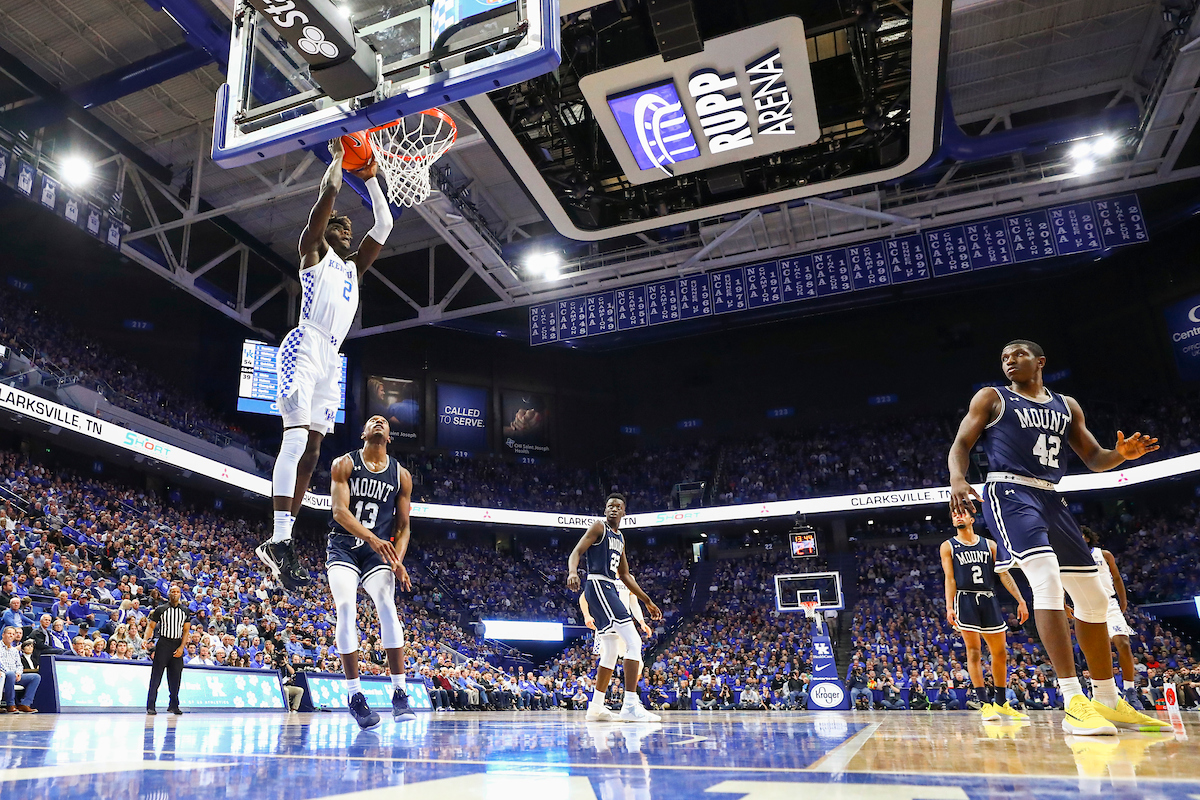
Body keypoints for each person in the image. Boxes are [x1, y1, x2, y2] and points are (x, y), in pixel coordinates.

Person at [948, 339, 1168, 735]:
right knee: (1046, 578)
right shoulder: (993, 397)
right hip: (1010, 491)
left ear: (1040, 361)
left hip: (1052, 496)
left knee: (1094, 596)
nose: (1009, 361)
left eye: (1017, 355)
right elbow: (962, 443)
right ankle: (1072, 700)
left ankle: (1107, 699)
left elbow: (1095, 457)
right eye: (1003, 357)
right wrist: (957, 479)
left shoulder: (1066, 405)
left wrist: (1122, 456)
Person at [256, 139, 394, 591]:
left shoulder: (354, 268)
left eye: (350, 231)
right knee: (295, 439)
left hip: (331, 357)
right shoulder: (313, 253)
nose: (348, 230)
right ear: (326, 230)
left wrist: (372, 177)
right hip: (305, 343)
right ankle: (278, 537)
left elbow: (386, 222)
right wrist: (338, 159)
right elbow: (327, 198)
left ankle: (284, 539)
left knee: (314, 450)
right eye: (341, 227)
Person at [326, 416, 416, 729]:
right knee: (346, 608)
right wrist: (373, 538)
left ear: (389, 437)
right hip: (344, 546)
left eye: (383, 422)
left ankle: (400, 692)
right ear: (364, 433)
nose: (378, 421)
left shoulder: (401, 475)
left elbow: (403, 526)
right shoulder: (344, 464)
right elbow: (339, 512)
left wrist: (397, 558)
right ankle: (355, 696)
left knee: (387, 605)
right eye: (371, 421)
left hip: (378, 553)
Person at [566, 493, 663, 723]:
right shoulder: (599, 527)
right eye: (610, 506)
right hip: (599, 585)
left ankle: (596, 707)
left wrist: (646, 600)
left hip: (607, 587)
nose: (613, 509)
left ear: (624, 512)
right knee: (634, 642)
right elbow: (576, 552)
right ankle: (629, 705)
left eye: (618, 506)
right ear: (605, 509)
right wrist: (572, 572)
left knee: (610, 650)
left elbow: (625, 574)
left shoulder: (620, 538)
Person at [940, 506, 1031, 722]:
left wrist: (1020, 600)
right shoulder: (948, 546)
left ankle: (1001, 703)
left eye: (961, 513)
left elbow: (1004, 573)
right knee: (973, 652)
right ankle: (984, 704)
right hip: (965, 598)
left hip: (988, 598)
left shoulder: (989, 545)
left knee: (1000, 652)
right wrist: (949, 606)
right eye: (954, 515)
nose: (957, 516)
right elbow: (950, 578)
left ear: (972, 518)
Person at [1080, 526, 1142, 709]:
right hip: (1087, 606)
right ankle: (1109, 692)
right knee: (1100, 651)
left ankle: (1130, 690)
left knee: (1123, 643)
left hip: (1109, 603)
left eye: (1081, 534)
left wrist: (1123, 601)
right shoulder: (1070, 556)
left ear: (1088, 538)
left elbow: (1116, 578)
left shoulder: (1104, 554)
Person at [144, 584, 191, 715]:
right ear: (169, 594)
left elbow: (186, 631)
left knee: (176, 677)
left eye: (177, 592)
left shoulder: (185, 611)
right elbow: (150, 627)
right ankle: (151, 706)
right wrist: (145, 639)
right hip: (163, 643)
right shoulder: (161, 609)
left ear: (180, 594)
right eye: (172, 592)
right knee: (156, 676)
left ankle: (174, 705)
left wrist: (182, 647)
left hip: (177, 644)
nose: (175, 594)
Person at [0, 626, 38, 712]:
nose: (11, 636)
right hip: (4, 675)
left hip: (15, 675)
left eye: (13, 634)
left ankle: (25, 704)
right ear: (3, 635)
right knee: (10, 674)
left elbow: (19, 665)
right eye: (9, 633)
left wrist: (18, 673)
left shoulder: (15, 651)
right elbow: (0, 664)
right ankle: (10, 704)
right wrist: (11, 673)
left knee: (36, 677)